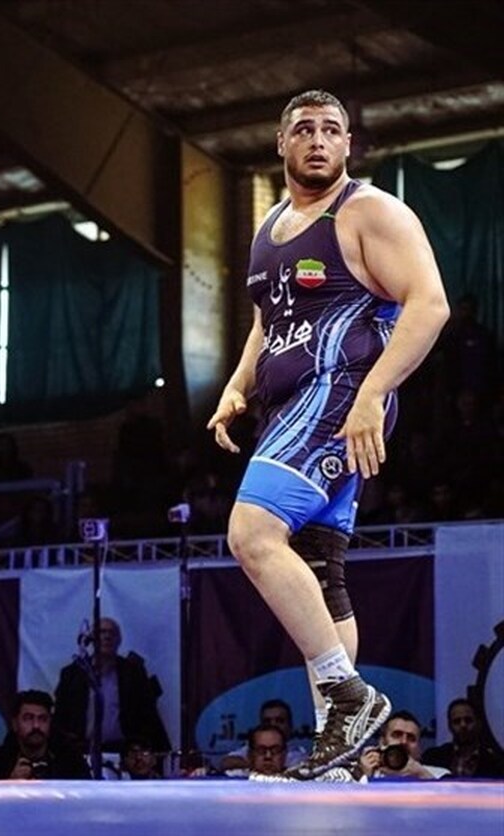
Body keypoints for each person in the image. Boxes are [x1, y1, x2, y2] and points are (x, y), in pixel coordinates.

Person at [207, 89, 450, 779]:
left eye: (331, 130)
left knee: (251, 533)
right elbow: (270, 318)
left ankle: (351, 696)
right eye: (305, 129)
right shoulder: (270, 226)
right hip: (290, 403)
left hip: (340, 395)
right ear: (282, 144)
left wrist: (373, 395)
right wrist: (237, 385)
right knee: (319, 570)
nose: (318, 140)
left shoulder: (369, 211)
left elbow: (430, 305)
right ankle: (337, 749)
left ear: (348, 144)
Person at [52, 617, 171, 757]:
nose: (107, 637)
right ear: (91, 639)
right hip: (81, 752)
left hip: (122, 752)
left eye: (112, 633)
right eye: (101, 632)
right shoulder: (72, 674)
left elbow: (148, 715)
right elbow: (60, 718)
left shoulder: (133, 673)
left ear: (119, 640)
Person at [0, 690, 89, 780]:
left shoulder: (71, 760)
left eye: (42, 719)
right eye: (28, 718)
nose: (36, 726)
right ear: (15, 724)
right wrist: (11, 782)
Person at [422, 698, 504, 779]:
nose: (463, 725)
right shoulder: (432, 758)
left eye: (468, 720)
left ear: (478, 723)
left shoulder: (496, 763)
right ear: (449, 726)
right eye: (457, 721)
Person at [356, 710, 447, 780]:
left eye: (411, 738)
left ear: (419, 748)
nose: (404, 741)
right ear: (382, 742)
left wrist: (422, 774)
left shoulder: (439, 775)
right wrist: (364, 777)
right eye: (397, 735)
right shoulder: (367, 771)